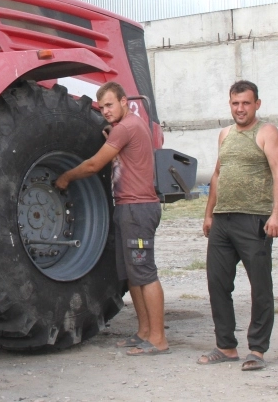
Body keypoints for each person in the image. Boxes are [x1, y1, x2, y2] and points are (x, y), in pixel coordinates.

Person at [55, 81, 168, 355]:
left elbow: (94, 165)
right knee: (132, 274)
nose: (105, 110)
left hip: (138, 209)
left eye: (109, 104)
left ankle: (158, 339)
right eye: (101, 106)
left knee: (144, 272)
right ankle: (143, 332)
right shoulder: (125, 128)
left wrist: (66, 177)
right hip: (127, 207)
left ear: (123, 101)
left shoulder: (127, 127)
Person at [198, 80, 278, 371]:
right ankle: (226, 346)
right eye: (236, 103)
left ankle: (257, 350)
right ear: (230, 104)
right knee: (217, 284)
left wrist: (277, 215)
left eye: (246, 103)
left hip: (255, 220)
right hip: (223, 220)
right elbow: (216, 175)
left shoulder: (267, 133)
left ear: (257, 104)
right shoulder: (225, 134)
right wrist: (209, 214)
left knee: (260, 286)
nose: (240, 109)